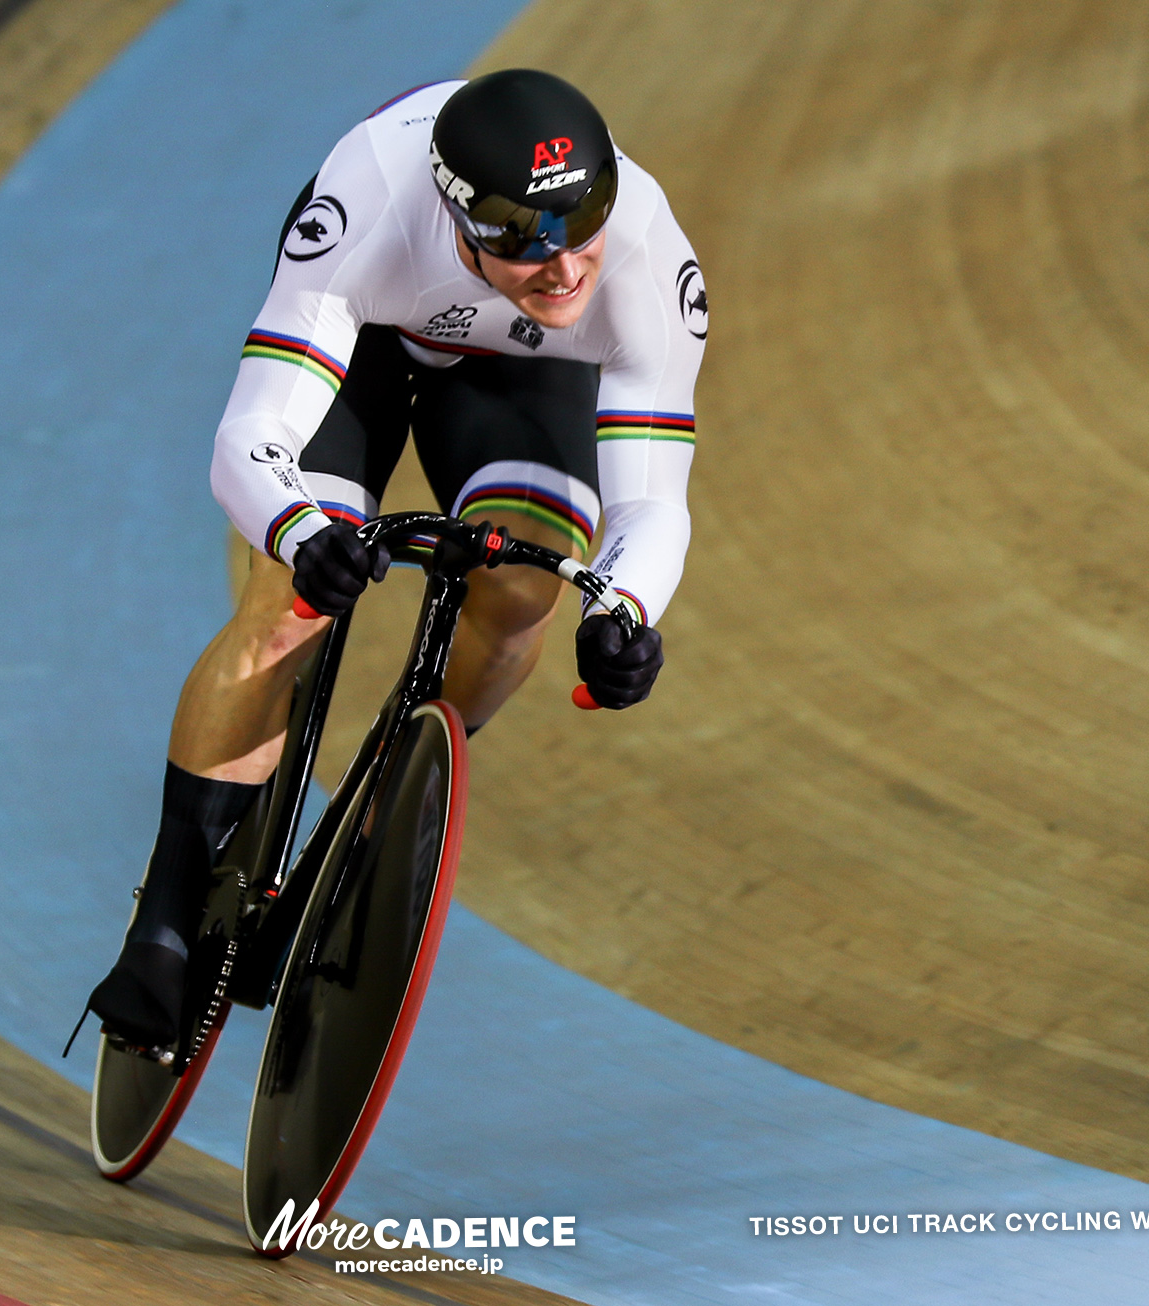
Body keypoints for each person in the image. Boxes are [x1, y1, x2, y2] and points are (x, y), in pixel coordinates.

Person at [87, 69, 706, 1048]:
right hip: (367, 342)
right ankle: (166, 909)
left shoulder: (642, 245)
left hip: (524, 377)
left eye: (578, 223)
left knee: (523, 588)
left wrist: (622, 610)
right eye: (521, 241)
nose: (562, 268)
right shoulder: (367, 199)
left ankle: (392, 808)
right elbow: (249, 442)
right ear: (459, 218)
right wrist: (302, 534)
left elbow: (650, 499)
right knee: (291, 602)